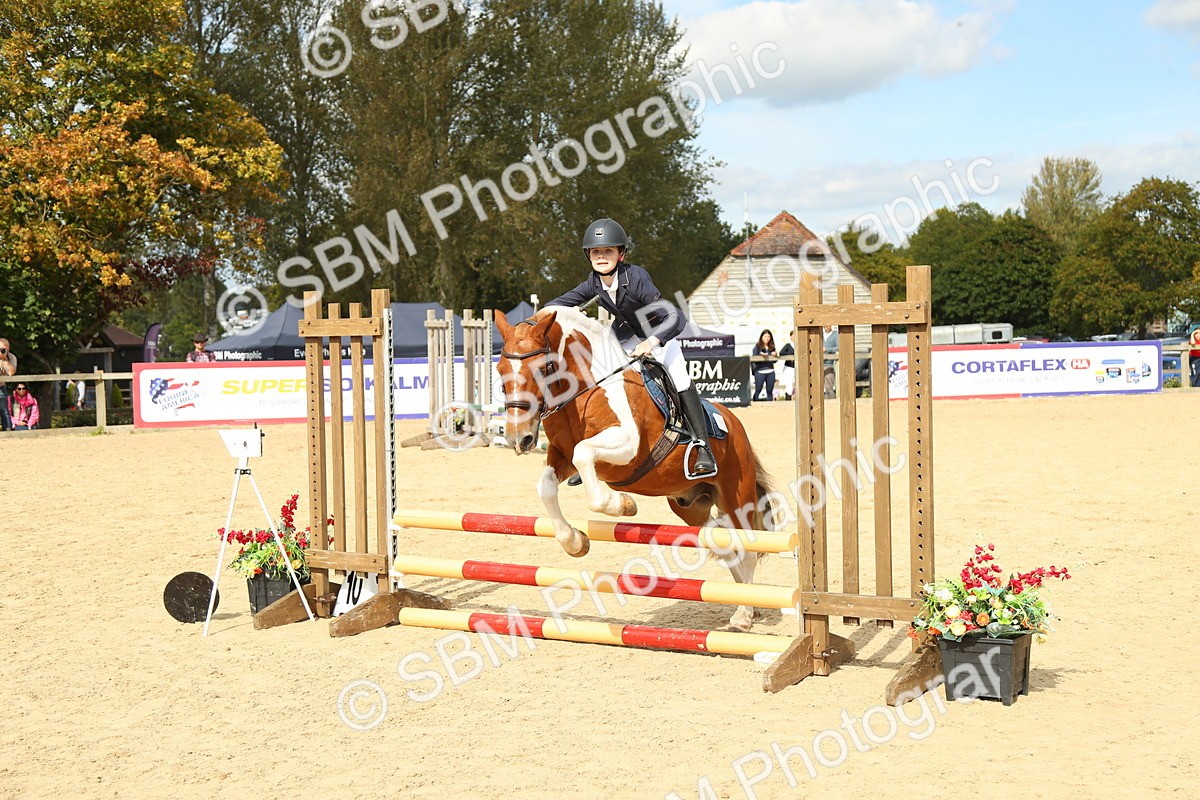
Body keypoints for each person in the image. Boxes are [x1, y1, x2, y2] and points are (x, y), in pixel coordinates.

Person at [546, 218, 717, 478]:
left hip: (660, 335)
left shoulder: (636, 278)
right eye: (595, 252)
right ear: (588, 256)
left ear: (621, 254)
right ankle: (596, 450)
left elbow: (676, 316)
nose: (601, 257)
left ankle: (703, 446)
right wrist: (535, 321)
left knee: (679, 378)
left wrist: (651, 342)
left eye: (607, 251)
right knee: (599, 375)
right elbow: (559, 303)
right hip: (626, 335)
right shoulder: (592, 282)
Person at [751, 329, 778, 401]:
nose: (767, 338)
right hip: (760, 371)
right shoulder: (757, 346)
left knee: (769, 391)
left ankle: (770, 406)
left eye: (768, 336)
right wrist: (760, 356)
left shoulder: (772, 347)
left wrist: (775, 355)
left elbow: (775, 361)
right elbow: (754, 360)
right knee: (758, 390)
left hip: (770, 371)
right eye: (765, 336)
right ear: (761, 337)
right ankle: (754, 404)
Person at [0, 337, 15, 431]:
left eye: (2, 349)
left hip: (1, 387)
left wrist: (4, 359)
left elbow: (11, 372)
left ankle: (8, 430)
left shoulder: (11, 357)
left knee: (4, 410)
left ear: (7, 349)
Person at [778, 331, 796, 400]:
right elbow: (781, 353)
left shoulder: (800, 345)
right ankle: (788, 399)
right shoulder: (788, 345)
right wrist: (791, 356)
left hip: (797, 367)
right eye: (794, 335)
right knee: (789, 384)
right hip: (789, 367)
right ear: (791, 337)